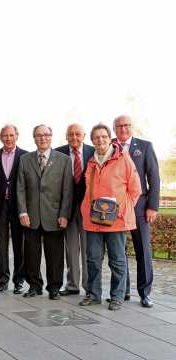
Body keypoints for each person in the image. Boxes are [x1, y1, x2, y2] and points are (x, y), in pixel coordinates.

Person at [79, 123, 141, 311]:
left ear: (110, 137)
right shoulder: (90, 161)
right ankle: (94, 294)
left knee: (117, 260)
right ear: (92, 141)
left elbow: (135, 189)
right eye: (96, 137)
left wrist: (122, 210)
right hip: (93, 219)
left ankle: (117, 296)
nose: (100, 140)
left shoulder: (124, 159)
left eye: (104, 136)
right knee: (93, 259)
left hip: (116, 220)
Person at [17, 124, 73, 300]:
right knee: (31, 254)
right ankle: (34, 286)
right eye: (39, 135)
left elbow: (67, 190)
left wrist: (64, 214)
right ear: (34, 138)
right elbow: (20, 188)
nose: (43, 138)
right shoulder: (25, 159)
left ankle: (54, 287)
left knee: (55, 255)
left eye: (46, 135)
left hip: (55, 216)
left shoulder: (63, 160)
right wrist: (22, 212)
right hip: (31, 216)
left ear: (51, 137)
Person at [114, 115, 160, 308]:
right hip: (116, 209)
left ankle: (145, 293)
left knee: (143, 251)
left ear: (131, 127)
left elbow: (154, 178)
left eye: (126, 125)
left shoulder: (145, 146)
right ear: (114, 128)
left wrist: (152, 206)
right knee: (119, 251)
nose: (123, 128)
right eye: (119, 125)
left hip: (140, 208)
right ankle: (122, 292)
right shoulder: (109, 146)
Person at [55, 124, 95, 296]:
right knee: (71, 248)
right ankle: (72, 285)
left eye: (77, 134)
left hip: (89, 209)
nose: (74, 137)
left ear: (84, 135)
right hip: (67, 208)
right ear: (66, 136)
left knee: (89, 249)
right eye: (70, 134)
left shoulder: (94, 151)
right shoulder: (58, 153)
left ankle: (89, 286)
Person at [0, 124, 28, 294]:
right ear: (1, 137)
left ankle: (19, 280)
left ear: (17, 136)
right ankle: (3, 280)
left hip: (18, 206)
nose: (8, 138)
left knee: (18, 245)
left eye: (11, 135)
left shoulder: (25, 156)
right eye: (5, 135)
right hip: (0, 206)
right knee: (1, 245)